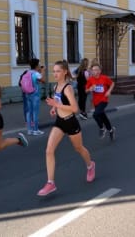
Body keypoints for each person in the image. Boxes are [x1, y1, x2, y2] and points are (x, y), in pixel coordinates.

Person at [37, 60, 95, 196]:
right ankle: (50, 183)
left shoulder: (67, 88)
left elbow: (75, 109)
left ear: (64, 72)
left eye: (58, 71)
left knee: (79, 148)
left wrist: (56, 106)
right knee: (49, 150)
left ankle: (90, 165)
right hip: (59, 122)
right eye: (54, 71)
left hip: (70, 122)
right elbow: (59, 101)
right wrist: (53, 108)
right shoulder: (56, 86)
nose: (55, 74)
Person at [86, 63, 116, 140]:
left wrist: (109, 91)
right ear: (91, 71)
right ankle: (111, 130)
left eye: (97, 70)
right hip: (96, 102)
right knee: (103, 117)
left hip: (104, 100)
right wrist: (90, 89)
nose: (95, 71)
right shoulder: (90, 80)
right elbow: (86, 90)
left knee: (95, 115)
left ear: (100, 71)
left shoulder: (104, 78)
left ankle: (102, 128)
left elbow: (112, 83)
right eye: (93, 70)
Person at [24, 58, 46, 136]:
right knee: (35, 112)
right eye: (39, 64)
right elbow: (43, 80)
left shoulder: (27, 72)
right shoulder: (36, 74)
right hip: (35, 94)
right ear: (37, 65)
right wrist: (43, 71)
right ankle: (35, 130)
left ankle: (29, 130)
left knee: (29, 112)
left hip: (27, 94)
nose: (40, 66)